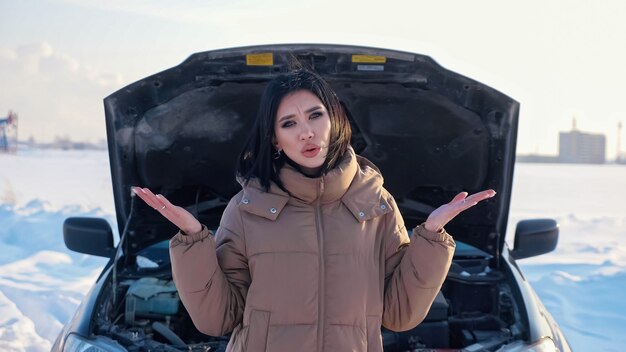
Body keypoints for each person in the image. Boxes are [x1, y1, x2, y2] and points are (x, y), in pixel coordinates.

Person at [132, 69, 496, 352]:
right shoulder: (246, 210)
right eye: (289, 123)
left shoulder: (377, 205)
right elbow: (218, 318)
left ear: (335, 120)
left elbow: (400, 315)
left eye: (315, 115)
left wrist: (431, 238)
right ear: (275, 139)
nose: (306, 132)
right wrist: (194, 241)